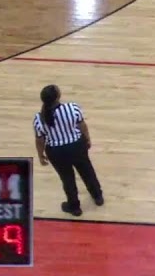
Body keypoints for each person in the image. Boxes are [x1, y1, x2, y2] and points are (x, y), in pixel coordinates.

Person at [33, 84, 104, 217]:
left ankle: (74, 207)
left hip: (56, 151)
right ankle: (98, 196)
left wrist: (40, 155)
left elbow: (39, 139)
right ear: (58, 96)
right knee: (87, 171)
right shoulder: (72, 108)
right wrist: (87, 139)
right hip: (77, 146)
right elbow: (82, 125)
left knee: (67, 178)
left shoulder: (39, 118)